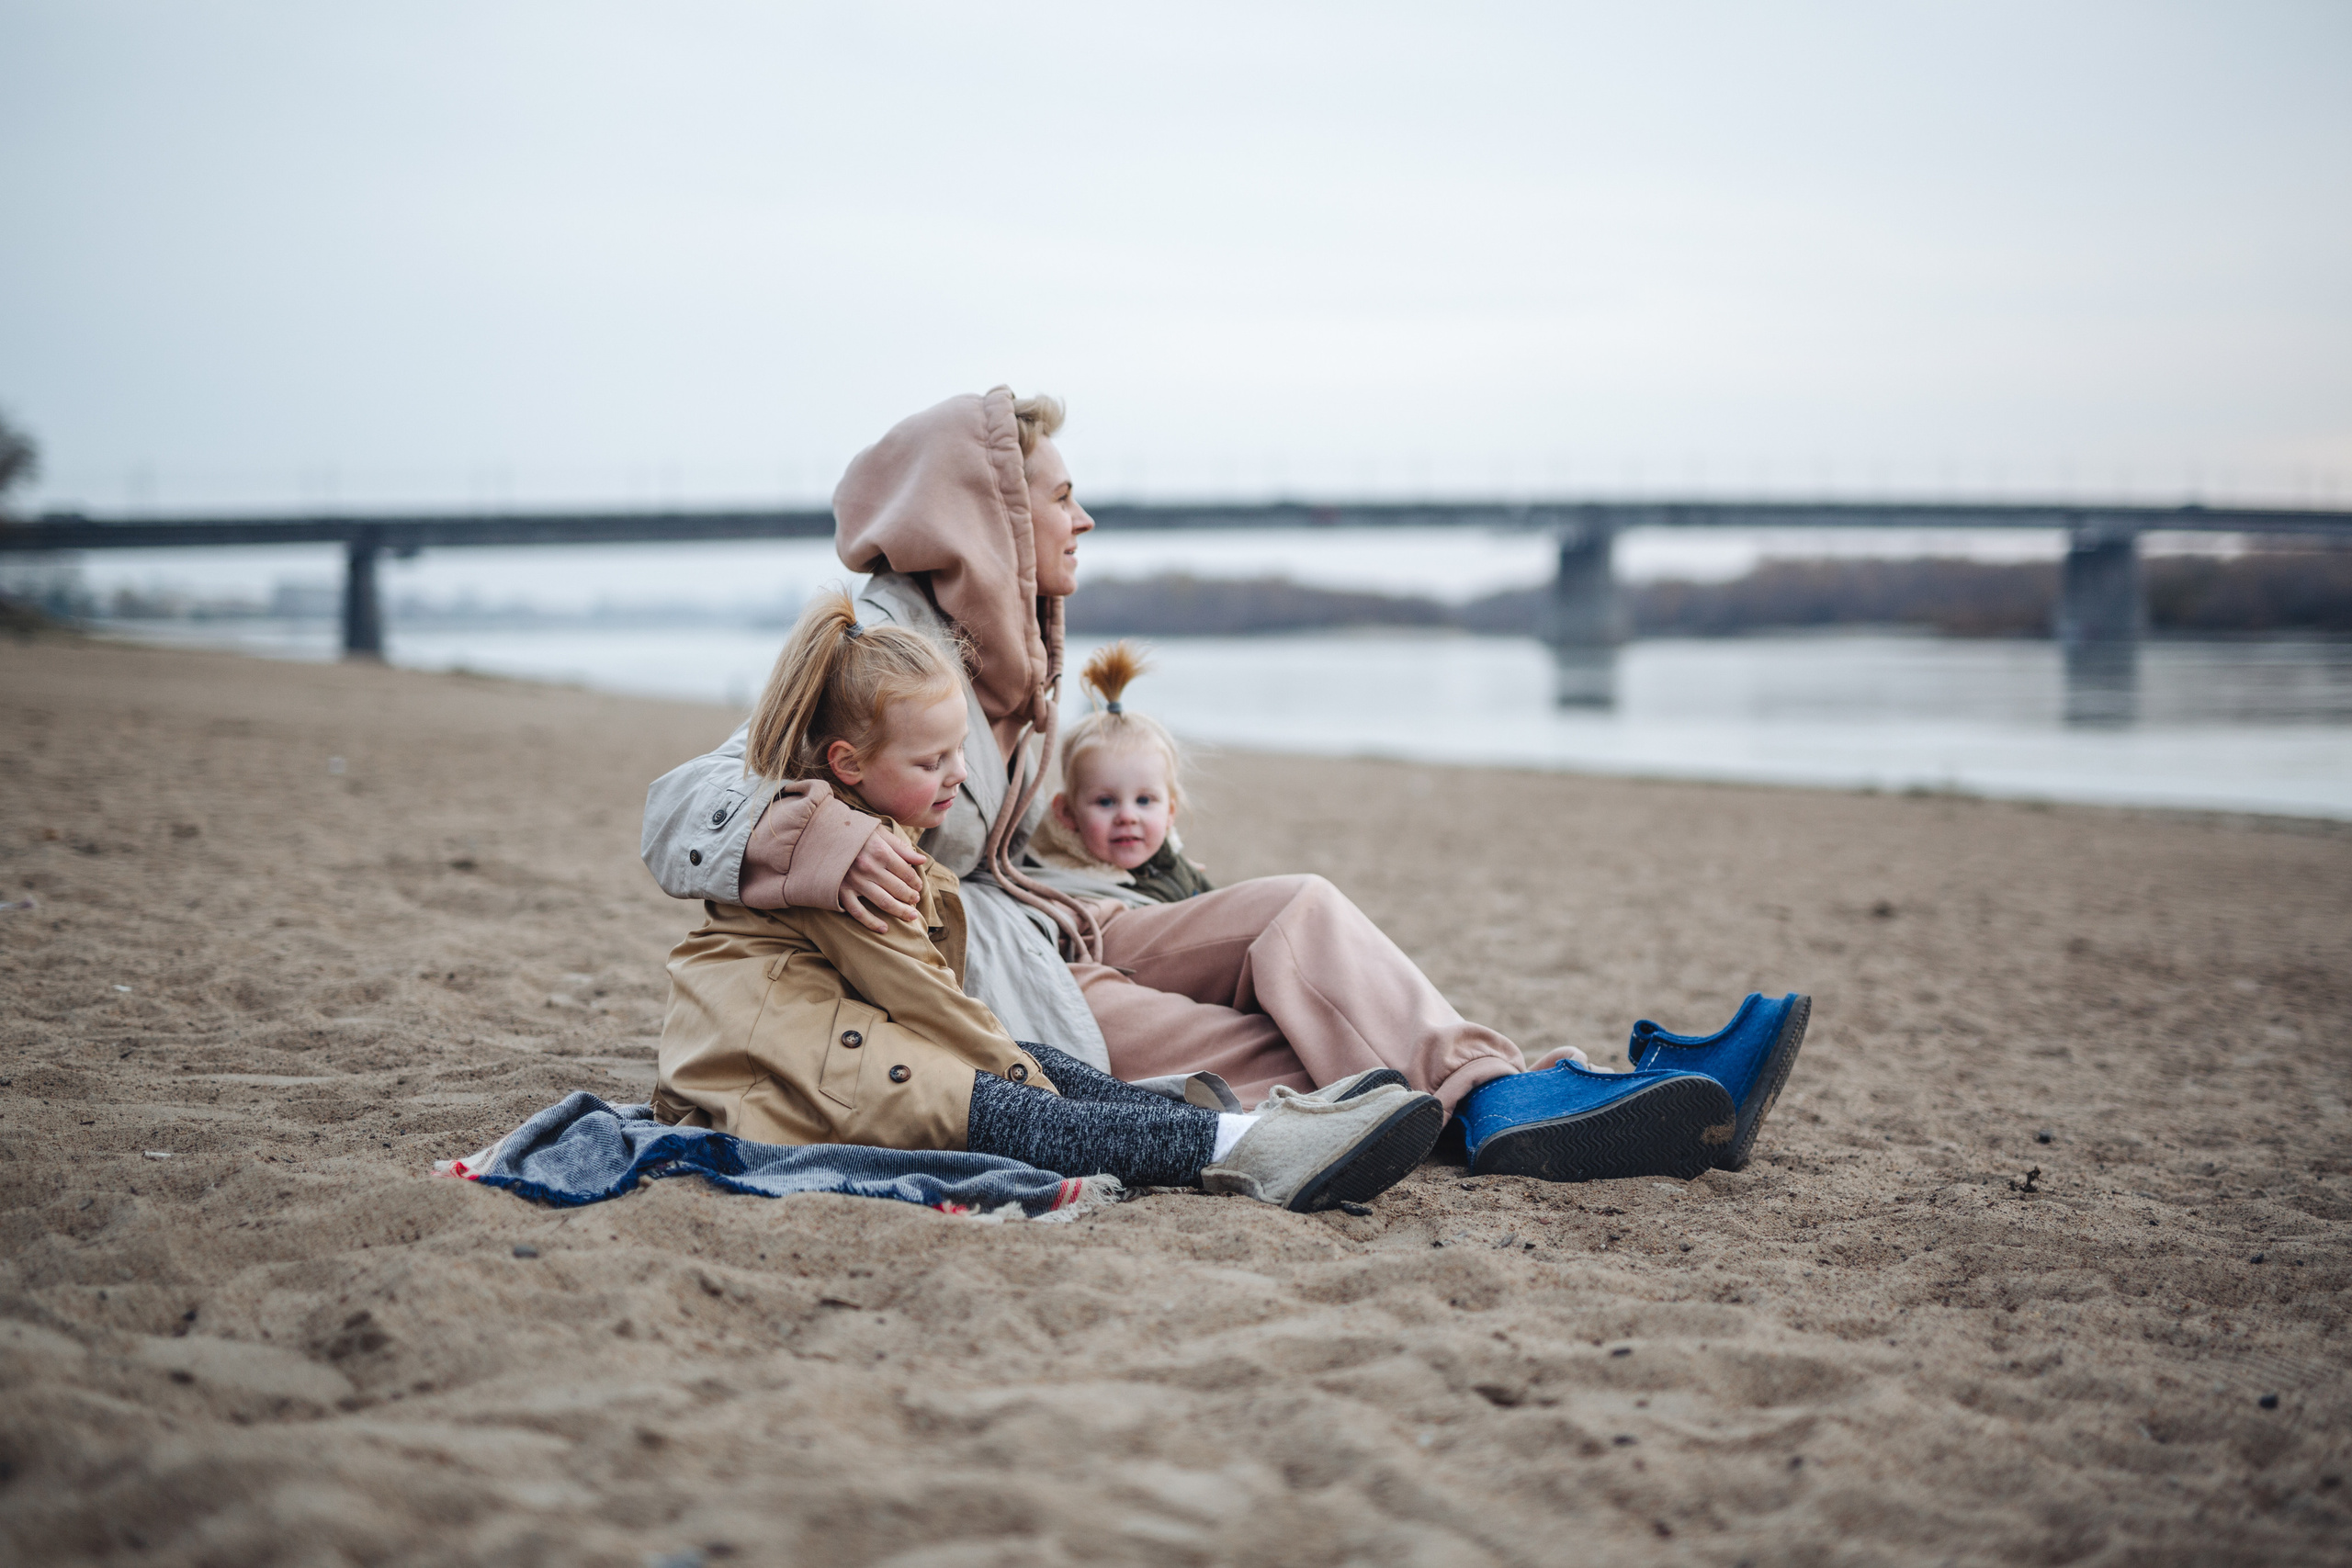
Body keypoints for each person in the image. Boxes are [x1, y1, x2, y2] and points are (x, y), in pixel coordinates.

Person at [642, 388, 1805, 1182]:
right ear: (989, 516)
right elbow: (681, 806)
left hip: (1065, 917)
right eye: (1058, 497)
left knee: (1294, 910)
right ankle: (1544, 1109)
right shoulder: (883, 649)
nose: (1082, 518)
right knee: (1253, 1042)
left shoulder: (1011, 648)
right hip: (980, 970)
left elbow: (1004, 839)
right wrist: (823, 842)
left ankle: (1502, 1090)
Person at [649, 587, 1449, 1212]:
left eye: (958, 752)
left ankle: (1252, 1126)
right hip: (772, 1067)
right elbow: (926, 1000)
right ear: (848, 763)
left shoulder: (871, 824)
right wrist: (1029, 1079)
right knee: (1027, 1109)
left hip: (814, 1038)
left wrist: (1037, 1066)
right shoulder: (860, 856)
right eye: (931, 763)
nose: (958, 775)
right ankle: (1246, 1148)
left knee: (1049, 1064)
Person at [1028, 641, 1214, 903]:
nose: (1127, 817)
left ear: (1170, 812)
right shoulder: (1069, 886)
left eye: (1144, 800)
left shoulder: (1172, 864)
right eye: (1106, 802)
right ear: (1068, 812)